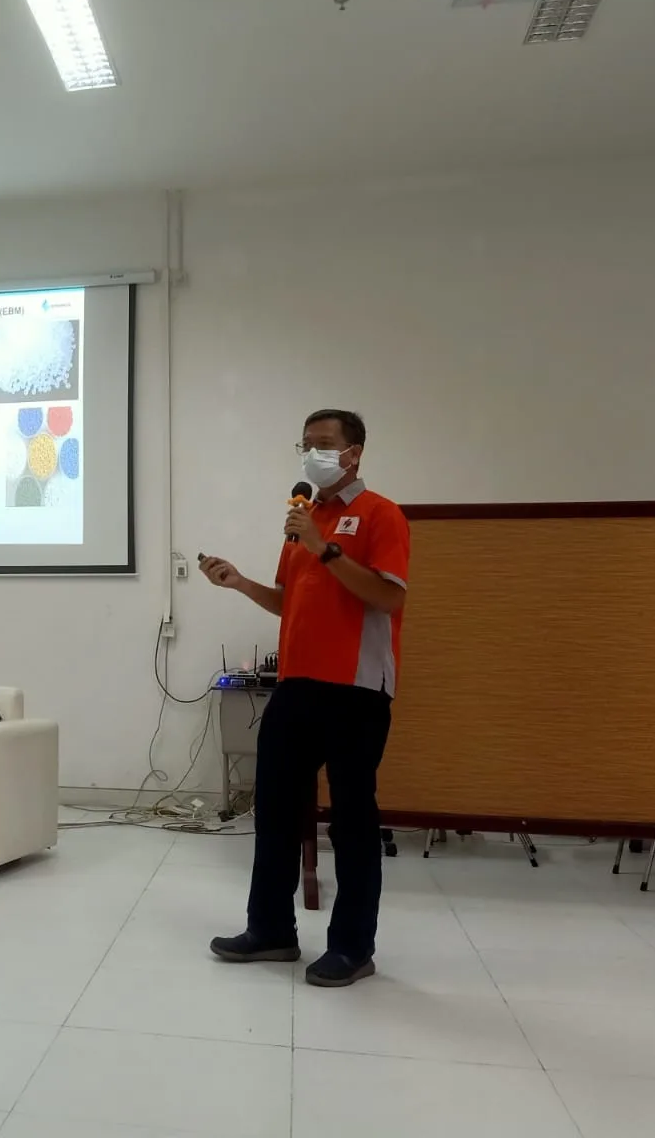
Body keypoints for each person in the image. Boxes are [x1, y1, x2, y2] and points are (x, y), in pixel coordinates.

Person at [199, 409, 410, 988]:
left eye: (324, 444)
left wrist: (325, 548)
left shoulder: (381, 514)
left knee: (352, 823)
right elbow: (288, 600)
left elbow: (388, 599)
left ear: (353, 454)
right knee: (274, 812)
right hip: (296, 686)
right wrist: (240, 583)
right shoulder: (304, 518)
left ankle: (352, 949)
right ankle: (271, 931)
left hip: (356, 690)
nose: (312, 453)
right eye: (305, 444)